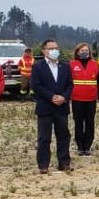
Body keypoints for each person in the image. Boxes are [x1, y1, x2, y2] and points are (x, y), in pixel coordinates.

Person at [31, 39, 73, 173]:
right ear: (44, 50)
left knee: (63, 135)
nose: (54, 50)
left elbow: (70, 85)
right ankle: (43, 165)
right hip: (45, 106)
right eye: (51, 48)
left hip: (61, 106)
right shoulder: (38, 66)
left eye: (56, 48)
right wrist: (51, 97)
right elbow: (36, 85)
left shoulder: (65, 66)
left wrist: (64, 97)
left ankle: (64, 162)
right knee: (44, 137)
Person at [71, 42, 99, 156]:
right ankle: (80, 146)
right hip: (77, 99)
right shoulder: (72, 64)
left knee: (90, 123)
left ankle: (88, 146)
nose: (84, 52)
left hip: (91, 99)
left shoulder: (95, 64)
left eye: (86, 50)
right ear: (77, 52)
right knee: (78, 123)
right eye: (82, 51)